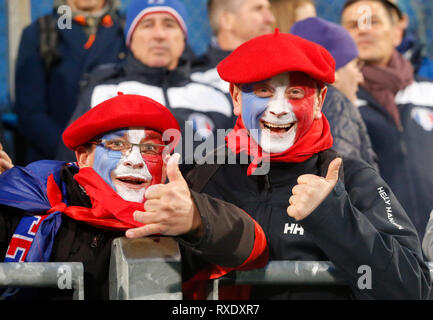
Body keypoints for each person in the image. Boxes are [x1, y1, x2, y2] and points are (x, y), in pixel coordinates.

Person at [185, 30, 431, 299]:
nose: (278, 109)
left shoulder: (355, 180)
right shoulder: (205, 177)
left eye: (295, 92)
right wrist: (187, 225)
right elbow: (159, 280)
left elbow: (413, 290)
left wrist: (334, 216)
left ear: (319, 102)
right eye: (263, 91)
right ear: (235, 98)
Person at [0, 93, 268, 300]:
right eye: (117, 145)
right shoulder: (29, 198)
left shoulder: (177, 214)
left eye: (150, 148)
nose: (135, 161)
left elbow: (252, 247)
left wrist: (198, 219)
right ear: (83, 157)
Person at [57, 0, 233, 162]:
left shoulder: (216, 97)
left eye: (169, 24)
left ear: (183, 37)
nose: (159, 35)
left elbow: (234, 168)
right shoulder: (102, 92)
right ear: (130, 39)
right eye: (147, 25)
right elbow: (70, 162)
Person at [341, 0, 433, 240]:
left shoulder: (428, 92)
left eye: (373, 21)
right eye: (353, 24)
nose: (363, 29)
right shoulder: (334, 101)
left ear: (397, 32)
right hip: (378, 252)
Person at [15, 0, 127, 165]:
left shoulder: (127, 30)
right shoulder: (41, 32)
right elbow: (30, 113)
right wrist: (72, 151)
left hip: (117, 161)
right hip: (52, 162)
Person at [290, 16, 378, 169]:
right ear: (334, 72)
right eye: (355, 65)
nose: (360, 78)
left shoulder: (287, 107)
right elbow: (343, 180)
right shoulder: (335, 105)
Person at [191, 0, 276, 93]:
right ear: (227, 20)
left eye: (269, 9)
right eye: (258, 9)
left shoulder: (282, 69)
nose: (271, 19)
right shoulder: (197, 80)